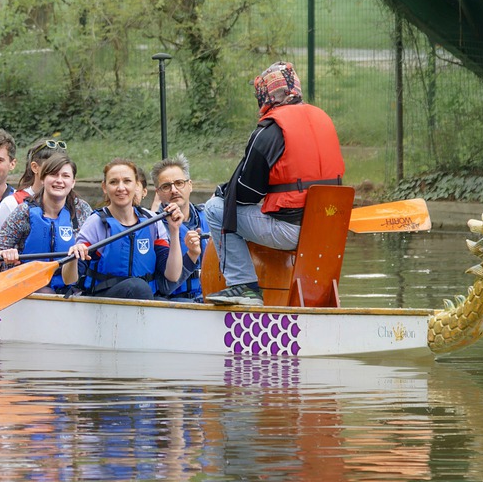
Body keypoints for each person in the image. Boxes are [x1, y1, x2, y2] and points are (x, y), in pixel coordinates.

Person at [204, 62, 344, 305]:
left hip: (291, 231)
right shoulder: (323, 119)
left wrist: (224, 193)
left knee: (215, 209)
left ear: (265, 94)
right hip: (328, 230)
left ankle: (243, 287)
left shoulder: (270, 129)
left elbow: (246, 193)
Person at [64, 159, 187, 299]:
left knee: (142, 289)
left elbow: (172, 275)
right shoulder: (96, 223)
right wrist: (72, 259)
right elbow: (69, 280)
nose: (121, 188)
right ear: (104, 187)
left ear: (136, 185)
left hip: (145, 301)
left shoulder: (152, 221)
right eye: (114, 182)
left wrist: (174, 230)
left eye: (127, 181)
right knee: (136, 287)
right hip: (104, 301)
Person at [0, 153, 92, 293]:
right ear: (42, 179)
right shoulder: (24, 211)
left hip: (70, 284)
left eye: (65, 176)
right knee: (46, 293)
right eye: (53, 175)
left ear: (73, 182)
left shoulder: (82, 210)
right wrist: (4, 254)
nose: (59, 181)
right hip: (30, 286)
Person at [151, 155, 208, 300]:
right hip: (175, 305)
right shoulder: (153, 227)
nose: (174, 190)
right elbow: (165, 287)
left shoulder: (209, 217)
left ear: (190, 185)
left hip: (212, 300)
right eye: (166, 186)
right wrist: (191, 256)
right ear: (158, 193)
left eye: (179, 183)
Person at [0, 138, 67, 228]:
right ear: (35, 167)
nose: (58, 178)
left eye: (62, 168)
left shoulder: (75, 205)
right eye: (51, 168)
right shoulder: (12, 204)